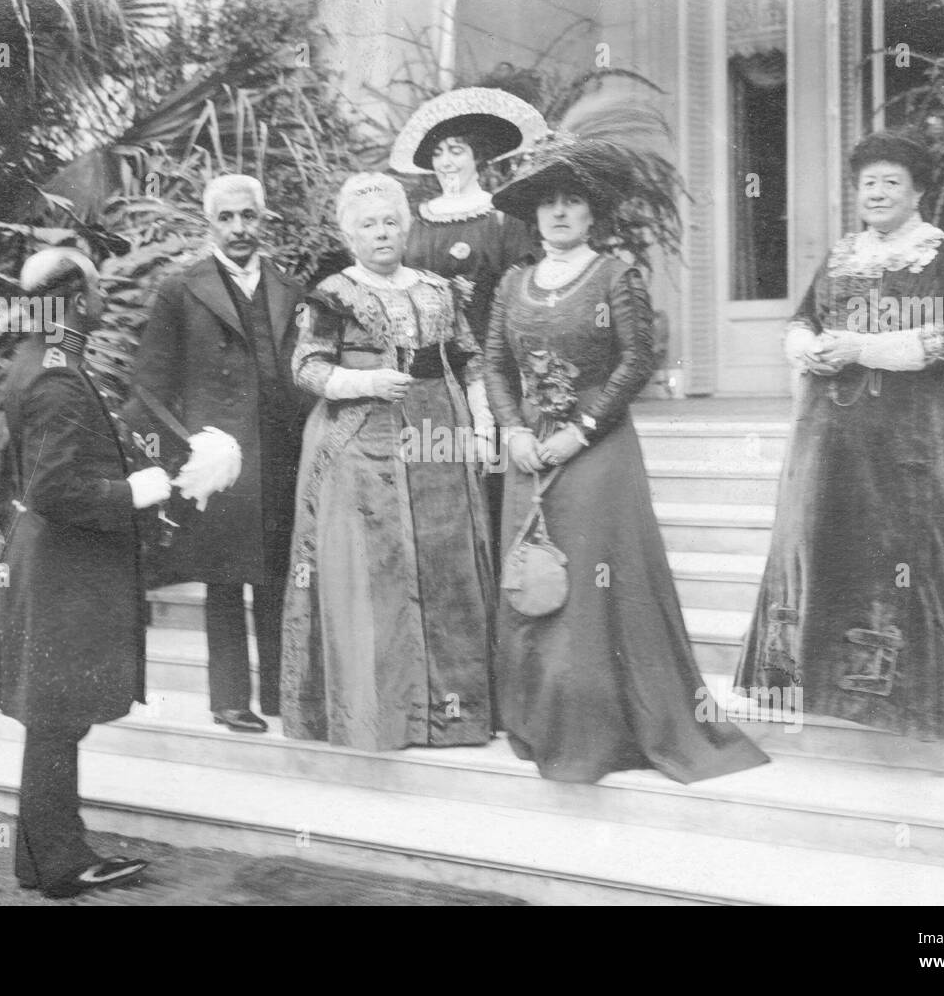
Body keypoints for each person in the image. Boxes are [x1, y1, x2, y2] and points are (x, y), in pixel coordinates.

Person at [484, 113, 770, 785]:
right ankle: (541, 719)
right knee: (534, 583)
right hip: (529, 456)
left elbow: (638, 360)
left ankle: (599, 731)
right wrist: (515, 430)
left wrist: (579, 430)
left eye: (572, 200)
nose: (558, 212)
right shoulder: (511, 286)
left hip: (596, 455)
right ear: (533, 214)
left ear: (591, 212)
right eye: (547, 202)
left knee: (589, 585)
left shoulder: (615, 277)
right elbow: (494, 364)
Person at [733, 129, 944, 739]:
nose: (877, 193)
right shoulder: (843, 254)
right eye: (868, 182)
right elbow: (803, 317)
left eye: (891, 182)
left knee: (902, 551)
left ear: (919, 190)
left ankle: (904, 690)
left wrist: (860, 346)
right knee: (824, 538)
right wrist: (807, 348)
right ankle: (814, 680)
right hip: (835, 432)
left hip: (915, 434)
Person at [280, 172, 496, 751]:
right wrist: (364, 379)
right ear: (350, 234)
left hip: (438, 445)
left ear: (407, 227)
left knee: (446, 568)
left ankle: (452, 715)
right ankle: (381, 717)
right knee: (379, 576)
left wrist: (483, 423)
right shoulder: (331, 293)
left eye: (391, 222)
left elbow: (471, 357)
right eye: (368, 224)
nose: (382, 232)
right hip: (361, 445)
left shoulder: (437, 288)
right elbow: (306, 367)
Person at [0, 247, 170, 898]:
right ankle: (58, 862)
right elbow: (56, 489)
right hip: (63, 573)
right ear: (72, 300)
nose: (104, 301)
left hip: (59, 567)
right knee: (56, 718)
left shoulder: (44, 362)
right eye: (97, 290)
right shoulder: (54, 377)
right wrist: (138, 492)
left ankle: (46, 858)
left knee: (55, 718)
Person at [121, 174, 307, 734]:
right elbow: (147, 389)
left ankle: (281, 694)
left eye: (248, 216)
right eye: (226, 218)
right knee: (224, 581)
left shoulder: (289, 289)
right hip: (219, 462)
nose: (238, 229)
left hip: (280, 456)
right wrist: (186, 452)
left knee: (278, 575)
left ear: (263, 219)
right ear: (210, 224)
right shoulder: (182, 291)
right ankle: (229, 700)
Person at [390, 87, 543, 566]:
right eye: (437, 152)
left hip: (495, 373)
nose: (445, 161)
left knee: (491, 481)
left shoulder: (502, 221)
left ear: (477, 156)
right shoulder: (416, 226)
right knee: (438, 479)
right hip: (432, 376)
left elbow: (523, 301)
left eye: (455, 150)